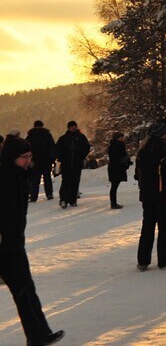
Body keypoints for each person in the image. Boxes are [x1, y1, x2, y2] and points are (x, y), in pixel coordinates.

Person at [1, 136, 65, 346]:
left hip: (14, 246)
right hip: (3, 245)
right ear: (12, 157)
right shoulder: (4, 179)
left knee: (26, 291)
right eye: (24, 157)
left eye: (30, 156)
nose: (28, 161)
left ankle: (39, 335)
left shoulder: (21, 176)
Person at [135, 123, 166, 271]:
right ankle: (164, 260)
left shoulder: (143, 150)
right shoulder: (164, 151)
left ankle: (143, 260)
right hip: (162, 194)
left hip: (147, 194)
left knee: (147, 227)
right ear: (162, 134)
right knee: (164, 227)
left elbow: (137, 174)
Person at [53, 122, 89, 209]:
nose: (73, 128)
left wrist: (81, 157)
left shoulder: (81, 137)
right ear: (68, 128)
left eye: (74, 127)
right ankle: (63, 200)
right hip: (66, 164)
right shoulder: (63, 138)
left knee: (75, 182)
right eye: (71, 127)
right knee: (65, 182)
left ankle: (73, 200)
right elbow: (57, 149)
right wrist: (61, 158)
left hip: (77, 164)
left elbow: (86, 147)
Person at [24, 122, 55, 203]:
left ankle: (34, 196)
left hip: (35, 162)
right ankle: (49, 194)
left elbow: (26, 148)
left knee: (35, 180)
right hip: (46, 161)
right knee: (47, 178)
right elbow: (52, 147)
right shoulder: (47, 135)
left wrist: (29, 160)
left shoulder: (30, 136)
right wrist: (52, 159)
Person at [106, 133, 131, 210]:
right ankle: (113, 203)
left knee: (114, 186)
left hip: (115, 168)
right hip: (116, 168)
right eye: (121, 137)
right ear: (117, 138)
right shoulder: (117, 146)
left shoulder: (115, 145)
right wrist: (125, 162)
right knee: (114, 186)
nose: (123, 139)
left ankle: (113, 203)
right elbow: (119, 157)